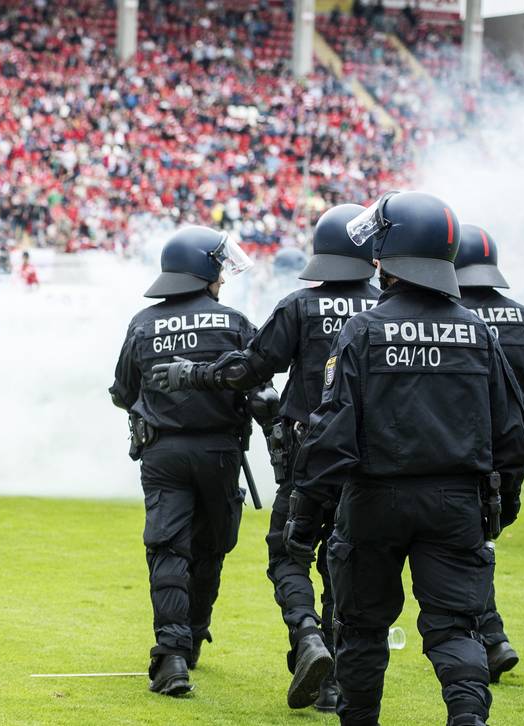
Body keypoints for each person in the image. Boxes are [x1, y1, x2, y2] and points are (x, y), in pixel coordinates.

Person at [284, 191, 524, 726]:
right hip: (456, 505)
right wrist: (503, 501)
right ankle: (468, 718)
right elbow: (513, 432)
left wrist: (306, 513)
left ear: (391, 253)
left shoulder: (364, 331)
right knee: (454, 629)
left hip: (373, 503)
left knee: (363, 628)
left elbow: (331, 436)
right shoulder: (478, 332)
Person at [148, 205, 380, 711]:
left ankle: (307, 637)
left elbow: (253, 369)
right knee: (347, 561)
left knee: (288, 554)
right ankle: (335, 679)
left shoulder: (299, 307)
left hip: (309, 457)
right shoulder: (386, 311)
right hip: (370, 465)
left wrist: (194, 375)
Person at [108, 226, 269, 698]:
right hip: (220, 454)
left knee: (168, 548)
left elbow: (123, 392)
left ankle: (172, 654)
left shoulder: (142, 323)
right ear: (204, 272)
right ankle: (194, 635)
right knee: (211, 546)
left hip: (162, 454)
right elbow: (258, 384)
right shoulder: (235, 322)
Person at [453, 223, 524, 682]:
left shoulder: (450, 318)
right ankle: (488, 635)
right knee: (477, 542)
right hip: (513, 459)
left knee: (463, 549)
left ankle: (488, 637)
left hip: (456, 454)